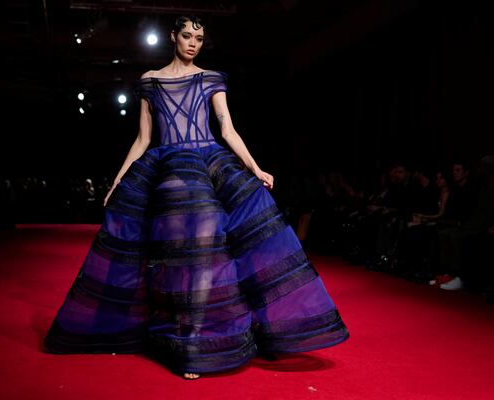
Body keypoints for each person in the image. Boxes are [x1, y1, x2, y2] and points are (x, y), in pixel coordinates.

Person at [44, 16, 349, 379]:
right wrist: (118, 180)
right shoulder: (150, 81)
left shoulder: (211, 78)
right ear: (173, 37)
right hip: (169, 165)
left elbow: (227, 129)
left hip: (209, 164)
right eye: (187, 36)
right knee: (177, 255)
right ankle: (183, 336)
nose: (193, 43)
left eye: (200, 38)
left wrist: (254, 168)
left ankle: (206, 338)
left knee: (209, 247)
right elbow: (143, 139)